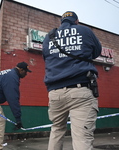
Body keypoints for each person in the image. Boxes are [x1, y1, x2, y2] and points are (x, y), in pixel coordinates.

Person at [42, 11, 102, 150]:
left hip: (55, 93)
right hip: (81, 90)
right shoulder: (84, 31)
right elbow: (96, 52)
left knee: (56, 130)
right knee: (82, 137)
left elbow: (48, 59)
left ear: (62, 22)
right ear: (76, 21)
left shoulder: (49, 37)